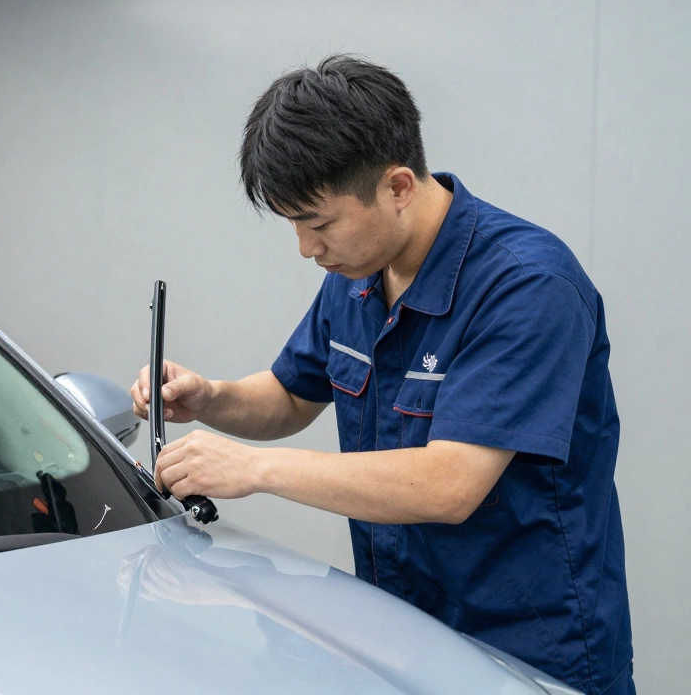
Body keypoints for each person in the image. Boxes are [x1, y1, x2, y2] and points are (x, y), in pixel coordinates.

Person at [131, 55, 633, 695]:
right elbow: (290, 394)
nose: (306, 250)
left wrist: (252, 468)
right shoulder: (358, 276)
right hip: (397, 632)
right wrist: (210, 398)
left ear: (397, 187)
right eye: (293, 225)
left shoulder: (528, 286)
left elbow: (448, 485)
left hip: (527, 653)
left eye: (319, 224)